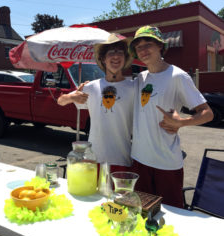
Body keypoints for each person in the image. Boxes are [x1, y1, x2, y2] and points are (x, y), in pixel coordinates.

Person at [128, 25, 214, 208]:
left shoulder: (177, 76)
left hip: (165, 162)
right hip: (139, 159)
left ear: (160, 46)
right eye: (138, 47)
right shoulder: (140, 78)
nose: (143, 50)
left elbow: (207, 113)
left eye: (148, 44)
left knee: (170, 218)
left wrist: (182, 122)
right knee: (141, 215)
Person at [57, 33, 135, 172]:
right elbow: (60, 101)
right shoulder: (91, 87)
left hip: (123, 159)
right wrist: (72, 97)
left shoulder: (134, 87)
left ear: (125, 58)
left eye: (120, 52)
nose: (116, 56)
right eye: (111, 52)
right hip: (94, 158)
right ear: (103, 59)